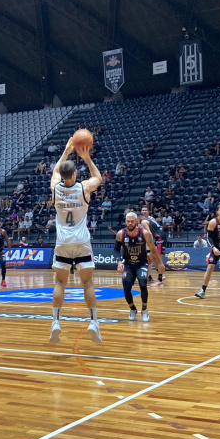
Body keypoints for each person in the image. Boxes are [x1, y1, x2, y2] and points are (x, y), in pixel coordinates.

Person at [49, 132, 103, 344]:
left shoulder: (55, 189)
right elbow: (98, 178)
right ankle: (93, 322)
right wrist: (87, 157)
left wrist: (66, 150)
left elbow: (55, 170)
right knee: (87, 281)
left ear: (63, 175)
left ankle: (55, 322)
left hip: (63, 243)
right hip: (81, 242)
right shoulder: (83, 188)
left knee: (60, 282)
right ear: (75, 174)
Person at [114, 212, 165, 322]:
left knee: (143, 284)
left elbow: (153, 249)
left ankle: (144, 309)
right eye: (128, 221)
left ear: (136, 222)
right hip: (128, 264)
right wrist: (119, 262)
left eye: (132, 221)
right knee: (126, 288)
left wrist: (160, 263)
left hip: (141, 263)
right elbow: (116, 250)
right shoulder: (120, 234)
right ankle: (132, 309)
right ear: (125, 222)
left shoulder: (145, 233)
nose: (130, 223)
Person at [139, 207, 165, 286]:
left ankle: (160, 279)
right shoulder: (149, 219)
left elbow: (149, 233)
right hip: (160, 236)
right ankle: (160, 273)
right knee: (151, 256)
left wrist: (151, 244)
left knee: (158, 259)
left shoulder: (143, 221)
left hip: (159, 238)